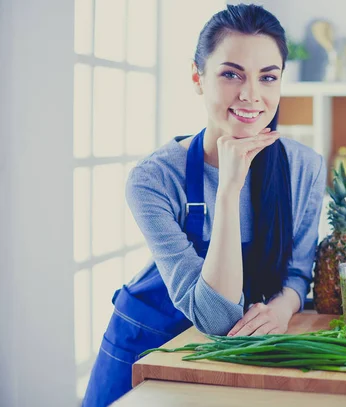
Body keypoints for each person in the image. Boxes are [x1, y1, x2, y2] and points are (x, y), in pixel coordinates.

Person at [82, 4, 326, 406]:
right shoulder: (154, 180)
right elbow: (216, 318)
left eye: (268, 77)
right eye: (231, 74)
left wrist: (283, 308)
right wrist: (229, 190)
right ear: (197, 77)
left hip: (227, 362)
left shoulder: (304, 168)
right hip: (144, 355)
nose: (251, 95)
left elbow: (299, 272)